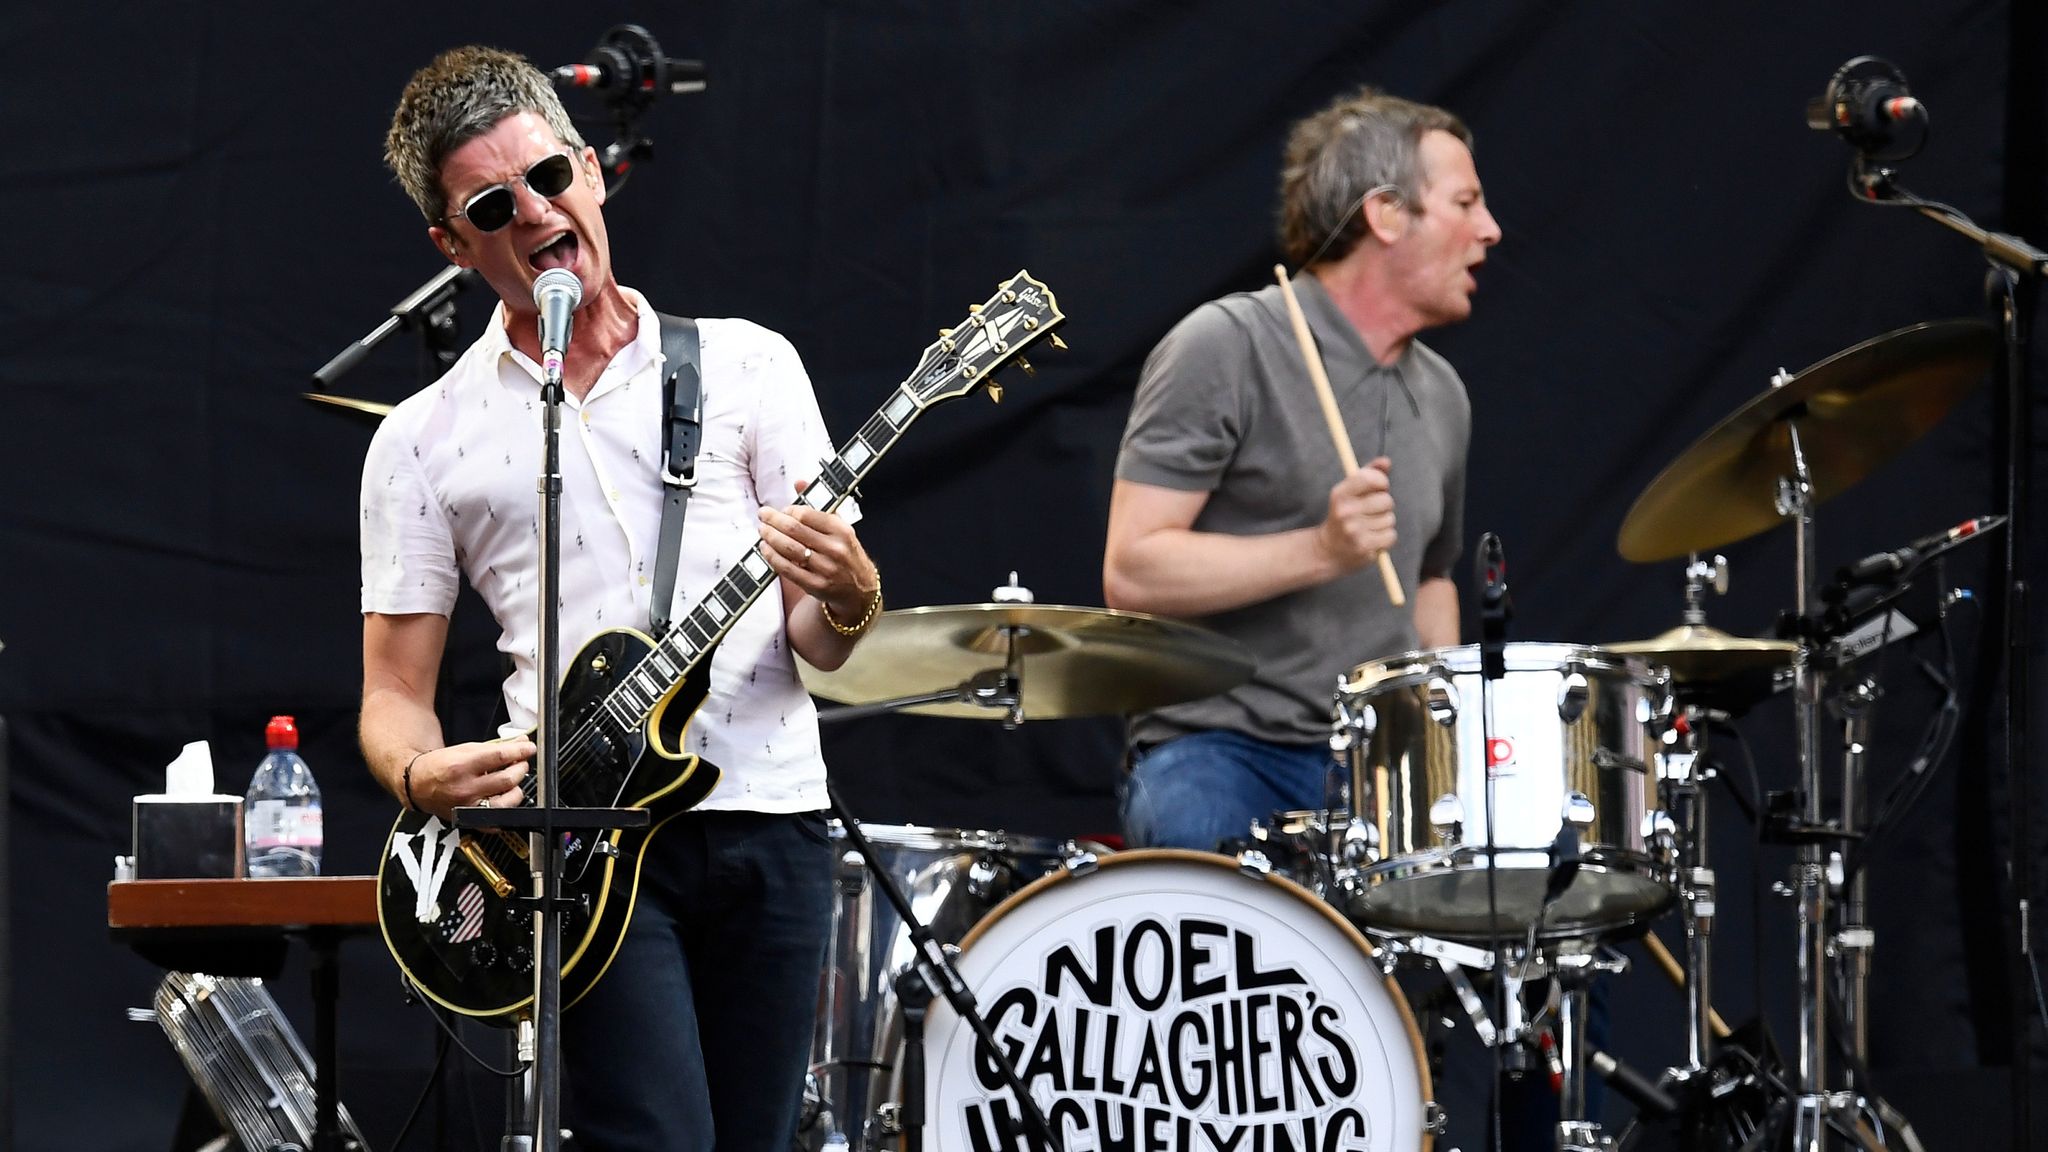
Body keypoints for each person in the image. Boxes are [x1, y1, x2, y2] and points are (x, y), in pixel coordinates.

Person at [357, 46, 882, 1152]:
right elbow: (391, 696)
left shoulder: (748, 367)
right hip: (581, 841)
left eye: (549, 177)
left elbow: (819, 645)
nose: (535, 214)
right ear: (453, 245)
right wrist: (418, 771)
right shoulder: (420, 437)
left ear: (592, 172)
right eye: (494, 206)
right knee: (652, 1137)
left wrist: (851, 592)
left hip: (770, 817)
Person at [1103, 86, 1499, 854]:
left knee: (1532, 898)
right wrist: (1320, 549)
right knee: (1210, 872)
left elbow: (1431, 579)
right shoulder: (1226, 345)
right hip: (1221, 746)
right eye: (1465, 203)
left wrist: (1446, 733)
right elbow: (1132, 569)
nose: (1490, 230)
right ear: (1386, 215)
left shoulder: (1443, 394)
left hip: (1380, 760)